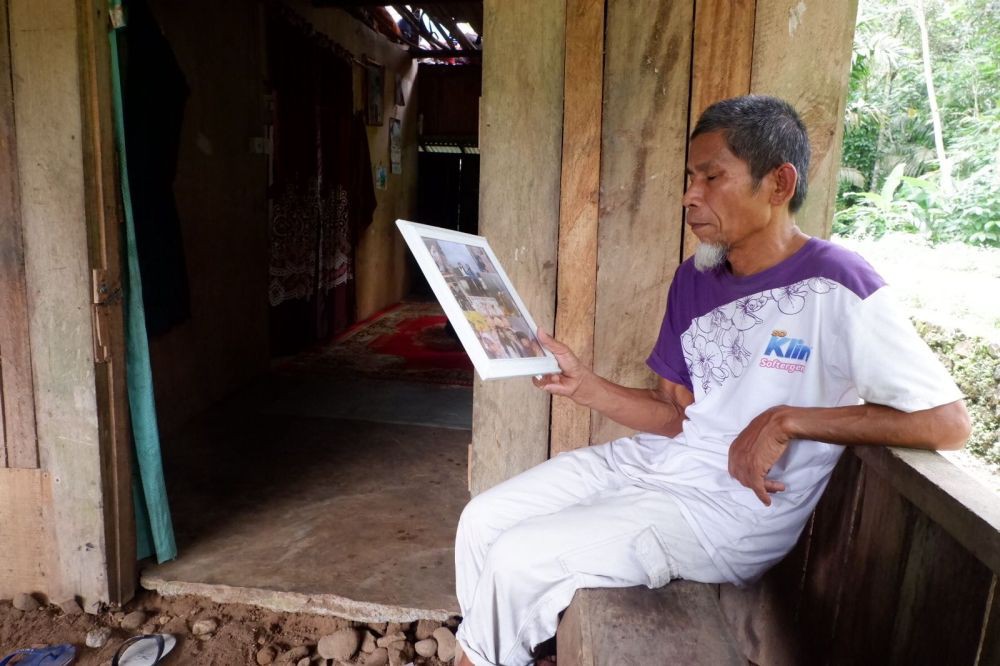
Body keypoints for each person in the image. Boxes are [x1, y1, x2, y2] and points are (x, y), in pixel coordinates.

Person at [452, 95, 971, 666]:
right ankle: (506, 652)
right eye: (690, 177)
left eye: (711, 176)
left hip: (729, 511)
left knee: (519, 558)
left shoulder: (838, 284)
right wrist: (584, 385)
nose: (689, 195)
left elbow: (947, 423)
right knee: (483, 522)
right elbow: (676, 415)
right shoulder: (694, 278)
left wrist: (787, 419)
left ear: (778, 184)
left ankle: (487, 654)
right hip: (661, 464)